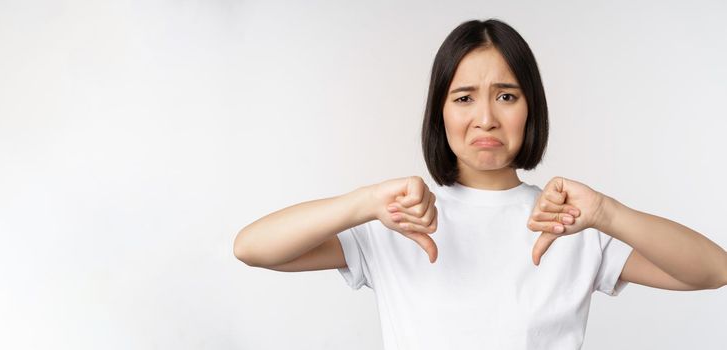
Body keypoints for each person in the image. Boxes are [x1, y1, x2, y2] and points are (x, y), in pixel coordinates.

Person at [233, 18, 727, 349]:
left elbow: (712, 271)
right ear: (439, 113)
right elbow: (253, 247)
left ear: (530, 107)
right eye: (464, 98)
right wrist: (364, 202)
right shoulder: (396, 221)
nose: (486, 118)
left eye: (506, 96)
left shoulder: (572, 224)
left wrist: (609, 214)